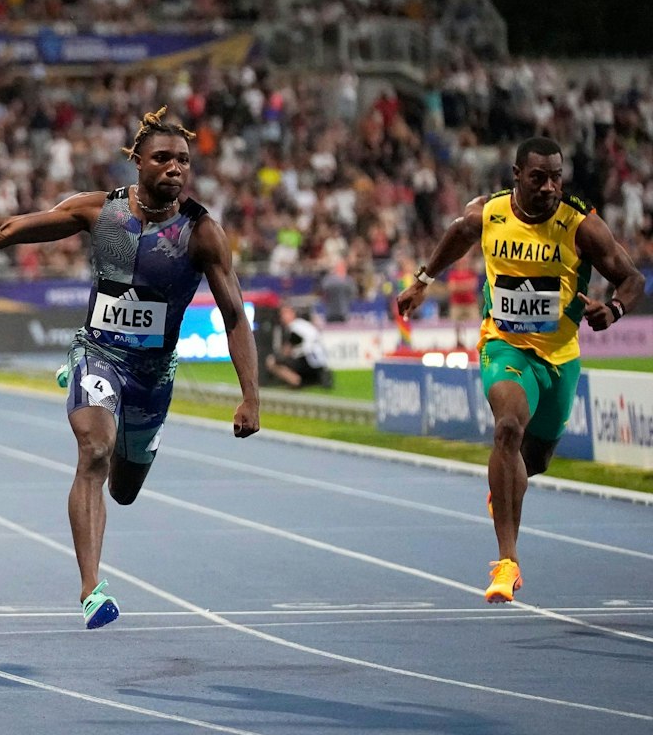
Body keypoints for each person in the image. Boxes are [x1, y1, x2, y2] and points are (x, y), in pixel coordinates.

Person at [0, 109, 261, 629]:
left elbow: (234, 314)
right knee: (93, 451)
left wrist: (251, 396)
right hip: (99, 352)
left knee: (124, 488)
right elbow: (6, 229)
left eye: (183, 160)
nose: (175, 168)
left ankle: (131, 435)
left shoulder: (203, 232)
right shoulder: (99, 211)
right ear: (137, 162)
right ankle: (92, 587)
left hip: (152, 374)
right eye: (162, 158)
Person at [394, 136, 643, 603]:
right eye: (538, 177)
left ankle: (504, 486)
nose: (549, 187)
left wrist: (613, 310)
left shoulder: (581, 225)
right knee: (508, 427)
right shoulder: (488, 213)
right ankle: (507, 563)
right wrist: (423, 281)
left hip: (560, 356)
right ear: (516, 176)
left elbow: (632, 278)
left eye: (556, 177)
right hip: (504, 347)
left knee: (537, 459)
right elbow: (458, 234)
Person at [264, 306, 332, 390]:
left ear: (293, 314)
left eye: (285, 314)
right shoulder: (303, 324)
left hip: (307, 360)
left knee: (272, 361)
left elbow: (289, 347)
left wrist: (277, 356)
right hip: (319, 363)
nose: (282, 317)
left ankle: (296, 382)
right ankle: (316, 379)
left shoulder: (294, 326)